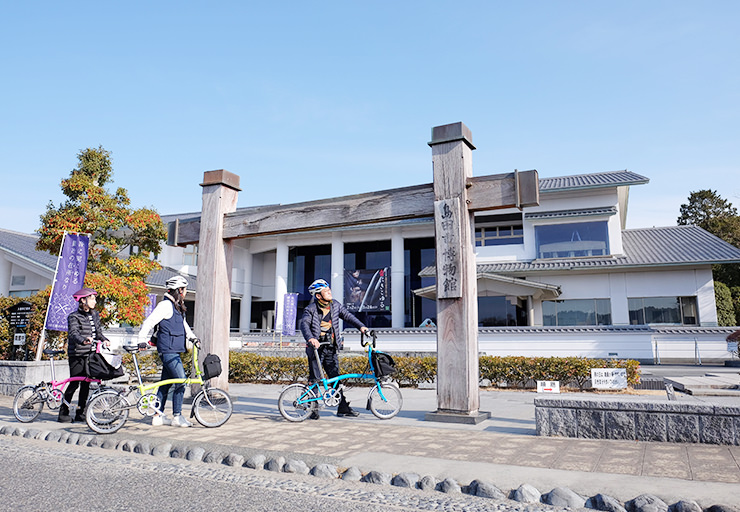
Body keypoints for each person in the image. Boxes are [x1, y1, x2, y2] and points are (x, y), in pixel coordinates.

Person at [300, 279, 368, 419]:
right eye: (326, 291)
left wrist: (361, 327)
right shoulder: (310, 309)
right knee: (315, 379)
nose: (329, 292)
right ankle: (313, 409)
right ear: (318, 295)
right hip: (316, 349)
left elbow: (348, 316)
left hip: (330, 348)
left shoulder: (335, 305)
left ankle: (343, 408)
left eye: (329, 289)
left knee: (335, 379)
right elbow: (304, 324)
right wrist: (311, 338)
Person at [137, 275, 196, 427]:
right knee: (181, 381)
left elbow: (184, 326)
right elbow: (149, 322)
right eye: (184, 289)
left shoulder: (177, 306)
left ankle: (158, 416)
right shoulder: (165, 305)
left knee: (165, 384)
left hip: (174, 349)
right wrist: (141, 339)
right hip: (168, 350)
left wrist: (193, 338)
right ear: (179, 290)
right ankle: (177, 416)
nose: (185, 292)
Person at [62, 288, 109, 422]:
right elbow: (73, 333)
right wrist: (83, 340)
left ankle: (80, 412)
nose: (95, 301)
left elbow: (98, 333)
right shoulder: (74, 316)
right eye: (92, 298)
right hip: (77, 354)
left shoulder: (95, 315)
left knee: (86, 384)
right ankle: (63, 412)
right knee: (74, 382)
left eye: (94, 298)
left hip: (91, 353)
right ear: (83, 300)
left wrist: (104, 339)